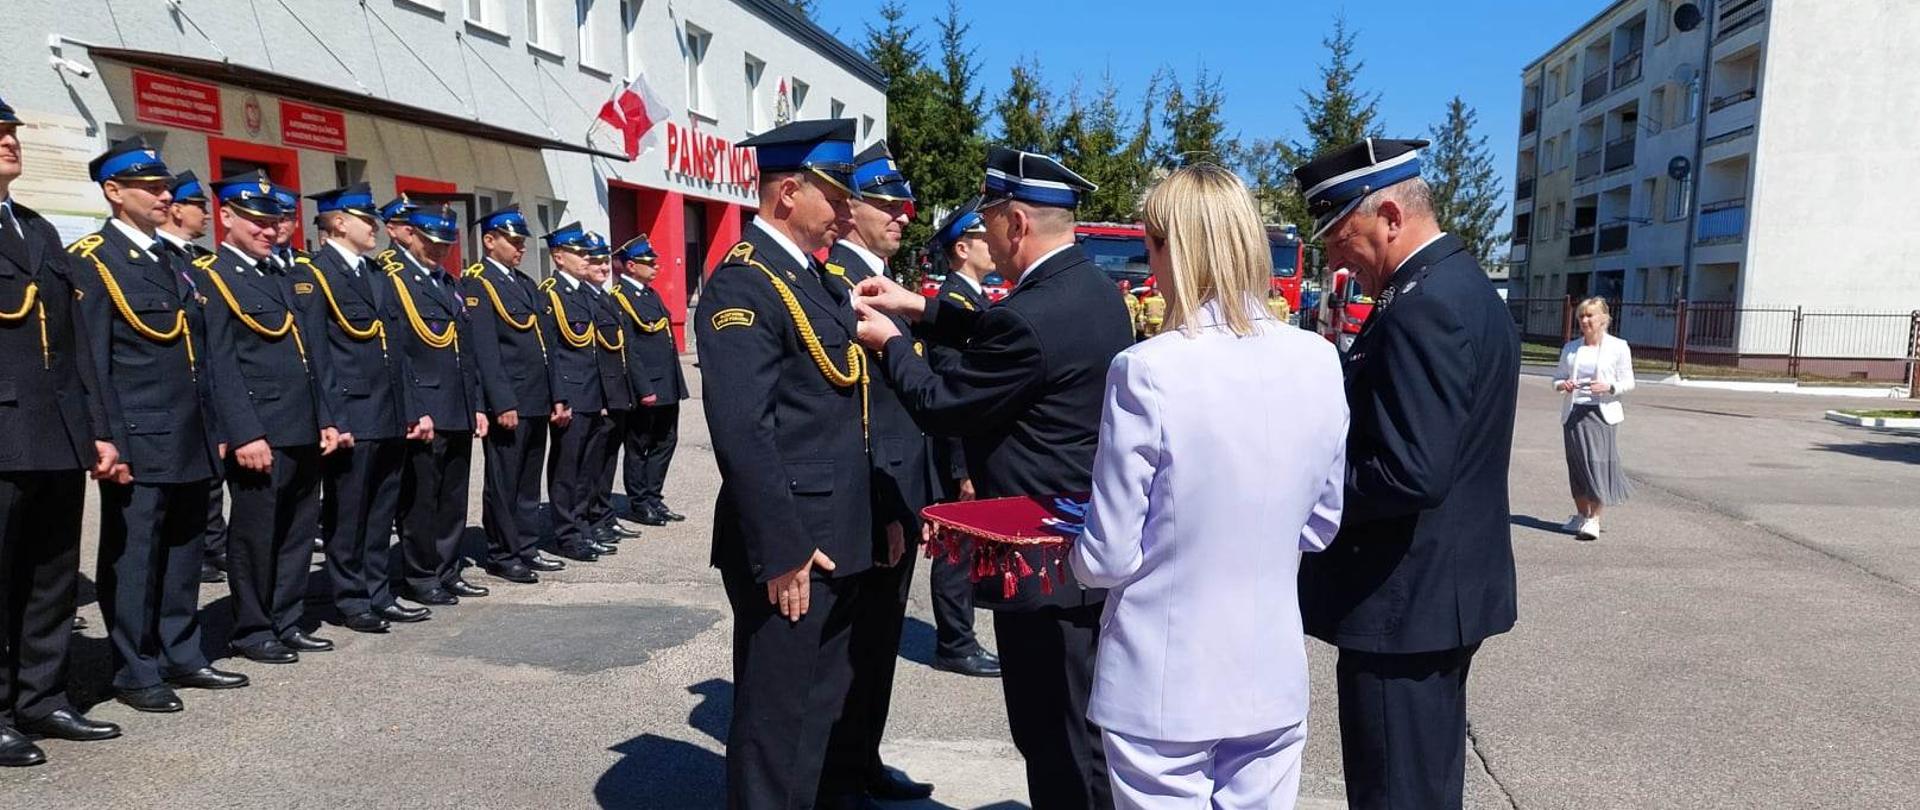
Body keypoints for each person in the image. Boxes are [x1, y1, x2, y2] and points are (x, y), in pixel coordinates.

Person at [851, 145, 1135, 810]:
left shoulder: (1033, 314)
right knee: (1085, 731)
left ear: (1015, 225)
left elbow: (943, 403)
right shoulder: (1092, 292)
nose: (989, 240)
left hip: (1039, 563)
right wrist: (924, 309)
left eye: (990, 222)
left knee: (1055, 737)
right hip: (1085, 549)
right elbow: (1008, 335)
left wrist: (891, 341)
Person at [1067, 165, 1347, 809]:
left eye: (1151, 248)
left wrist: (1070, 548)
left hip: (1162, 676)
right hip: (1269, 672)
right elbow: (1321, 524)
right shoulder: (1317, 359)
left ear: (1176, 248)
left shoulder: (1147, 369)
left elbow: (1108, 556)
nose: (1150, 269)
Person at [1292, 138, 1520, 810]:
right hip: (1432, 595)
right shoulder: (1452, 285)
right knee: (1420, 786)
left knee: (1395, 791)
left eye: (1339, 232)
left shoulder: (1425, 306)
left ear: (1390, 214)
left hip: (1405, 599)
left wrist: (1307, 495)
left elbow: (1411, 471)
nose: (1332, 254)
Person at [694, 118, 873, 807]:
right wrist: (784, 548)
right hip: (794, 545)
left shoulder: (813, 281)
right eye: (837, 196)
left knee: (818, 718)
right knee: (778, 728)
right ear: (788, 192)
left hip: (837, 535)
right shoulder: (744, 285)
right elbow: (743, 432)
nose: (848, 212)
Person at [70, 142, 250, 712]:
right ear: (113, 192)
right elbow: (92, 361)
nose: (165, 196)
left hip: (191, 432)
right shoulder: (93, 259)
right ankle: (133, 667)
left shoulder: (176, 261)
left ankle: (181, 651)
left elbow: (204, 357)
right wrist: (106, 437)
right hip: (140, 435)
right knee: (135, 556)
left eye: (165, 186)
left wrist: (219, 425)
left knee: (184, 551)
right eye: (149, 187)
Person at [0, 98, 124, 766]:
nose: (10, 141)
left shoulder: (38, 230)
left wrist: (97, 430)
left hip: (53, 431)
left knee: (50, 576)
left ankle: (41, 698)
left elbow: (73, 346)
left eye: (13, 132)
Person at [818, 139, 936, 807]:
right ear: (852, 207)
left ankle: (862, 756)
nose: (902, 217)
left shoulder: (882, 286)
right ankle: (841, 771)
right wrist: (885, 509)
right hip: (871, 499)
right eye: (888, 206)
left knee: (880, 643)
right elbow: (857, 412)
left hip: (898, 492)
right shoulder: (840, 285)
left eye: (905, 207)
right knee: (852, 649)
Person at [196, 170, 343, 665]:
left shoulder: (280, 272)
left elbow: (309, 355)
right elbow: (220, 363)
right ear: (227, 217)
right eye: (254, 220)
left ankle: (287, 618)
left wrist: (325, 416)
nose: (266, 229)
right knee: (256, 536)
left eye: (271, 220)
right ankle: (252, 627)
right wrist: (245, 431)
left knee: (298, 531)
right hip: (261, 432)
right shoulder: (214, 276)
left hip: (301, 424)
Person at [297, 183, 434, 632]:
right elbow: (318, 354)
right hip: (353, 412)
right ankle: (351, 597)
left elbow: (398, 351)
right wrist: (332, 417)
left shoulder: (376, 275)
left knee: (381, 509)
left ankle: (379, 591)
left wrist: (412, 409)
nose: (375, 226)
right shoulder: (317, 274)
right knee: (349, 512)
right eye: (365, 219)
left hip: (389, 410)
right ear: (338, 222)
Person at [382, 203, 490, 606]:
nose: (440, 249)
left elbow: (467, 350)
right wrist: (413, 408)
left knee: (452, 497)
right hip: (426, 405)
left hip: (457, 406)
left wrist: (476, 403)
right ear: (409, 235)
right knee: (421, 500)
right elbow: (399, 352)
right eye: (431, 241)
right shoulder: (396, 280)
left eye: (445, 243)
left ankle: (448, 567)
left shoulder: (449, 282)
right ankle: (421, 574)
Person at [463, 205, 566, 583]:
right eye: (513, 241)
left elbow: (545, 345)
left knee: (527, 482)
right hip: (510, 401)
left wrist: (557, 395)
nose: (520, 247)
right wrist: (501, 402)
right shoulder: (479, 283)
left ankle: (525, 545)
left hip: (536, 398)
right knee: (504, 481)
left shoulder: (524, 283)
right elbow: (486, 351)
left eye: (522, 241)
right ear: (490, 241)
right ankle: (502, 553)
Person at [919, 201, 998, 679]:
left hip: (973, 449)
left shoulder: (975, 301)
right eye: (983, 238)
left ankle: (962, 633)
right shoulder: (952, 305)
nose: (993, 245)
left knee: (969, 548)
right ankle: (955, 643)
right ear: (962, 248)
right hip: (959, 452)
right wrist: (962, 467)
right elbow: (952, 394)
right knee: (956, 551)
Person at [153, 170, 226, 585]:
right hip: (169, 400)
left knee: (208, 481)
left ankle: (211, 543)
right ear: (176, 210)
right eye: (199, 206)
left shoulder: (200, 261)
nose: (207, 215)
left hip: (206, 388)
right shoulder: (164, 257)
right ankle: (204, 548)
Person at [539, 224, 619, 563]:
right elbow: (551, 352)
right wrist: (559, 398)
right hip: (571, 394)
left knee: (588, 468)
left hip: (592, 394)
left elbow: (598, 350)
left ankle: (583, 526)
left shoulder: (586, 293)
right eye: (580, 253)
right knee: (567, 469)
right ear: (559, 256)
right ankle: (567, 534)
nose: (587, 259)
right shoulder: (551, 293)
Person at [610, 235, 689, 527]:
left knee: (666, 440)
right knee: (639, 444)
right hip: (647, 388)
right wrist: (644, 388)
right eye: (648, 262)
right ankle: (639, 501)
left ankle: (654, 496)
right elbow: (628, 348)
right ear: (631, 266)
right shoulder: (620, 299)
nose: (655, 267)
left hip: (667, 382)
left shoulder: (649, 293)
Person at [579, 233, 642, 550]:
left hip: (617, 393)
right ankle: (589, 519)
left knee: (606, 463)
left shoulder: (606, 298)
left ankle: (603, 516)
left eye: (605, 261)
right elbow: (590, 355)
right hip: (598, 395)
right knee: (589, 464)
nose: (602, 267)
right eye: (594, 261)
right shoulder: (581, 297)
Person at [1554, 296, 1635, 541]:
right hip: (1574, 412)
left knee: (1598, 464)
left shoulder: (1618, 346)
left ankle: (1594, 519)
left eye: (1590, 315)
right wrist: (1563, 385)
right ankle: (1580, 515)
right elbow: (1556, 379)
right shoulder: (1571, 348)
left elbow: (1629, 381)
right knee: (1576, 465)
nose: (1585, 320)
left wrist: (1609, 387)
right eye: (1581, 316)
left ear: (1604, 318)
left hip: (1601, 414)